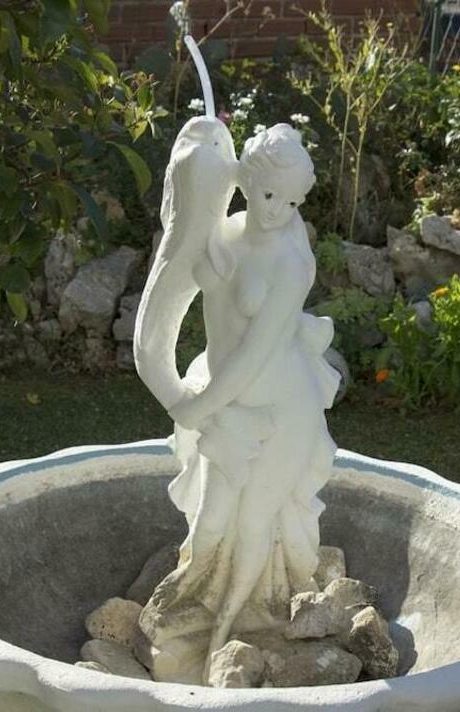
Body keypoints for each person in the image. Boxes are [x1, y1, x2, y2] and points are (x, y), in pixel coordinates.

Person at [134, 122, 339, 684]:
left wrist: (196, 408)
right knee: (209, 523)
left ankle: (229, 627)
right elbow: (180, 294)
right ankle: (185, 602)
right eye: (269, 194)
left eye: (291, 202)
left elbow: (255, 353)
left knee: (252, 523)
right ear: (246, 180)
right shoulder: (220, 232)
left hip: (282, 412)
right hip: (226, 405)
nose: (277, 211)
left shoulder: (291, 262)